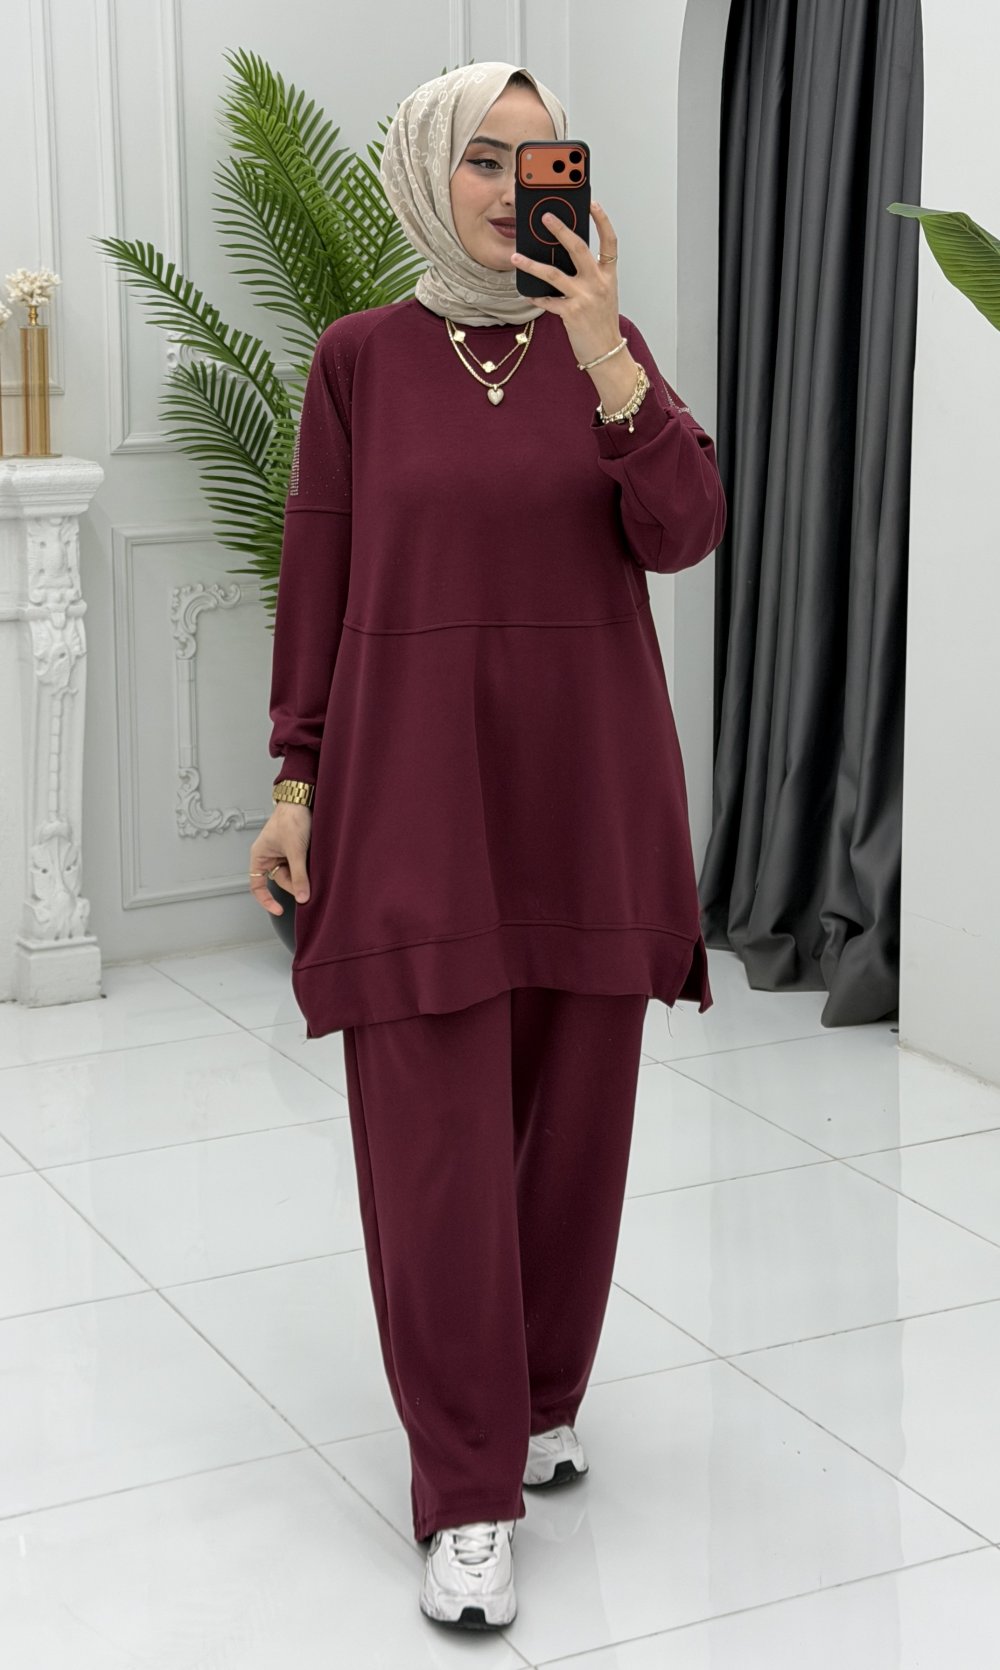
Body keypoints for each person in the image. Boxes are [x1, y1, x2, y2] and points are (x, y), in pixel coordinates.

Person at [248, 61, 727, 1633]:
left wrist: (606, 356)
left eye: (545, 157)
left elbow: (684, 529)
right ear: (427, 173)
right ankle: (465, 1492)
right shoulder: (360, 362)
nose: (520, 186)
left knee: (577, 1122)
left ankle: (536, 1398)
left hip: (588, 790)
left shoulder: (606, 347)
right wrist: (298, 780)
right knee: (435, 1140)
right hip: (415, 798)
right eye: (486, 158)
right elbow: (319, 572)